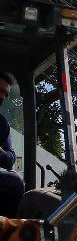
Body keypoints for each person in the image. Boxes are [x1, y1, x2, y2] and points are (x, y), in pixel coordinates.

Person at [0, 72, 25, 218]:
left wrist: (0, 152)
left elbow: (10, 159)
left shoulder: (2, 124)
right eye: (0, 91)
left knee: (16, 182)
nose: (2, 97)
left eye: (5, 94)